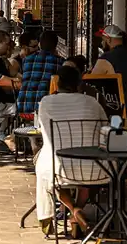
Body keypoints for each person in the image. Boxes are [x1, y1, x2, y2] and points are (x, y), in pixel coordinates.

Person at [36, 65, 109, 235]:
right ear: (79, 84)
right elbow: (106, 129)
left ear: (58, 83)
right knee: (86, 172)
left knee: (46, 168)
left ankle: (73, 210)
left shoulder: (46, 102)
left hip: (59, 170)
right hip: (96, 170)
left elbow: (42, 130)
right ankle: (78, 211)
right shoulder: (92, 102)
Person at [91, 24, 127, 118]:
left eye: (103, 39)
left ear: (108, 39)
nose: (102, 43)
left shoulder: (106, 58)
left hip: (119, 109)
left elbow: (91, 81)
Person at [17, 30, 64, 119]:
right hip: (44, 111)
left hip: (23, 109)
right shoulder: (60, 62)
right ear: (56, 46)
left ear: (39, 44)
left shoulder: (26, 60)